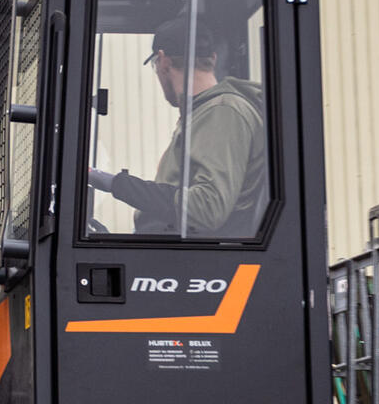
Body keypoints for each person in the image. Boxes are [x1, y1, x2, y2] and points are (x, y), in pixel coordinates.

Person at [90, 14, 267, 237]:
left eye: (155, 65)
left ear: (163, 61)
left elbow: (207, 209)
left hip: (197, 261)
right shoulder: (203, 113)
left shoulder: (222, 111)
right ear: (212, 58)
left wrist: (116, 184)